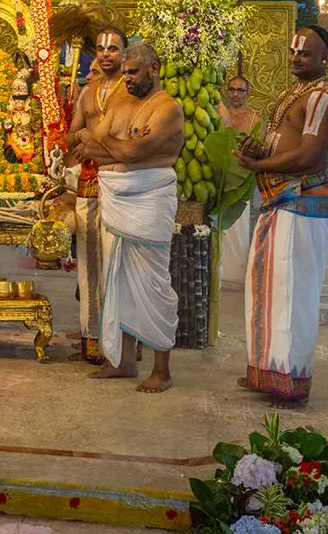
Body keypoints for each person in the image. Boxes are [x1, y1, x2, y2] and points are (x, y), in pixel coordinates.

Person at [235, 26, 328, 409]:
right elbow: (282, 142)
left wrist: (260, 162)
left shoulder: (322, 96)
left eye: (306, 53)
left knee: (293, 295)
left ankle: (293, 379)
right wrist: (256, 147)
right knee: (267, 290)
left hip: (305, 201)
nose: (296, 58)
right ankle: (267, 371)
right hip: (281, 203)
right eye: (293, 52)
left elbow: (308, 156)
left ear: (324, 59)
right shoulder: (292, 92)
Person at [68, 41, 183, 394]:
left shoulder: (168, 110)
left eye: (133, 72)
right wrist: (108, 145)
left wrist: (106, 144)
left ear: (154, 68)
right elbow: (82, 146)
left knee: (153, 284)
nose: (127, 78)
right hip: (116, 197)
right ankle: (126, 362)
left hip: (149, 199)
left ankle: (162, 370)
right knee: (116, 280)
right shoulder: (119, 103)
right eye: (125, 72)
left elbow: (131, 151)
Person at [64, 25, 126, 364]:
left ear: (124, 53)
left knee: (117, 265)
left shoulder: (130, 91)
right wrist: (88, 134)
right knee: (87, 267)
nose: (105, 53)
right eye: (101, 48)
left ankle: (120, 341)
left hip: (120, 186)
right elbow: (71, 137)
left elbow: (126, 139)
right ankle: (92, 338)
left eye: (113, 48)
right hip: (88, 185)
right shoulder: (87, 94)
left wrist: (91, 139)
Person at [216, 75, 263, 289]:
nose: (235, 94)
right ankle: (217, 270)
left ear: (247, 93)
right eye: (232, 89)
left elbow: (260, 149)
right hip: (217, 176)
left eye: (240, 90)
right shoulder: (217, 113)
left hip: (241, 179)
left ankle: (234, 276)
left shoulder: (255, 119)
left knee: (238, 227)